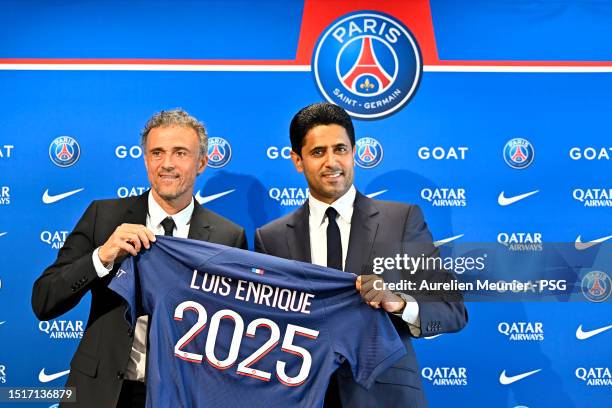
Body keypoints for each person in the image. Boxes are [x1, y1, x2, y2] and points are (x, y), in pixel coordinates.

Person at [254, 102, 467, 407]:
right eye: (318, 152)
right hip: (302, 397)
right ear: (297, 161)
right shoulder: (270, 238)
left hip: (383, 397)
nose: (331, 162)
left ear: (354, 152)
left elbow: (452, 308)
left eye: (340, 149)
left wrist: (400, 303)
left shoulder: (402, 220)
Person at [32, 109, 247, 408]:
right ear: (145, 159)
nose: (167, 164)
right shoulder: (103, 217)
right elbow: (44, 301)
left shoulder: (229, 237)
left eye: (180, 153)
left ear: (201, 163)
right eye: (156, 152)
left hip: (183, 395)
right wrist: (101, 256)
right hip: (104, 394)